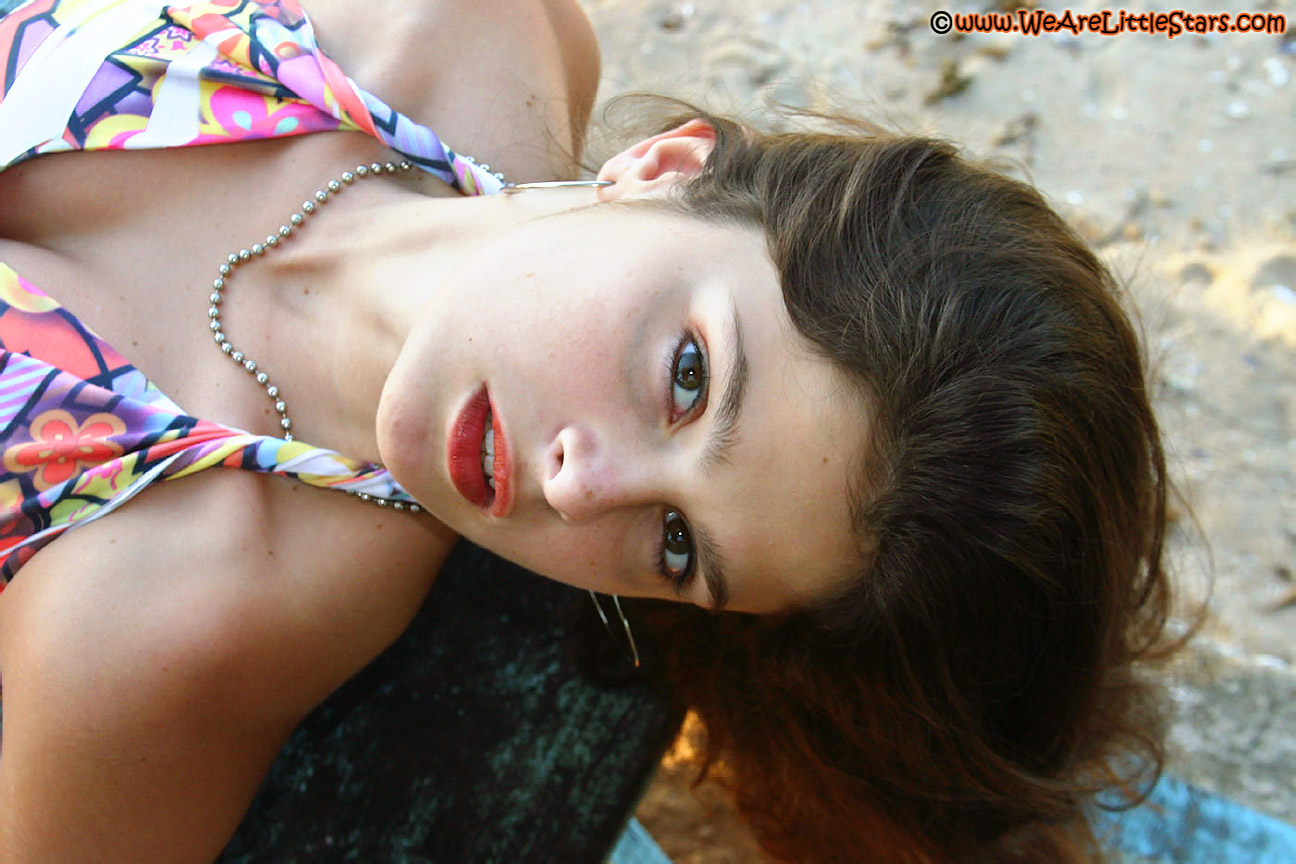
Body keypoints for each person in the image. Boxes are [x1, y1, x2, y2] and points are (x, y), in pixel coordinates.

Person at [0, 0, 1179, 862]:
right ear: (666, 167)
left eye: (676, 545)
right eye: (687, 378)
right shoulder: (451, 27)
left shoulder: (170, 614)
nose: (577, 489)